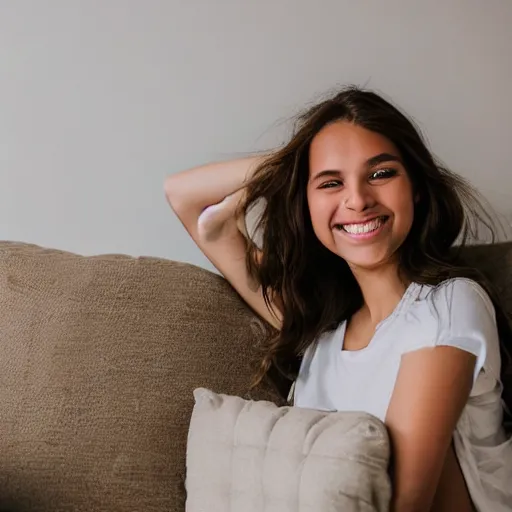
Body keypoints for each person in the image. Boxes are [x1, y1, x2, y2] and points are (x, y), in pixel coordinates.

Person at [164, 86, 512, 511]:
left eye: (381, 173)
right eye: (330, 182)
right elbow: (182, 194)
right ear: (306, 204)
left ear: (417, 188)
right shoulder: (322, 335)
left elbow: (403, 501)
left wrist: (318, 166)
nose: (358, 200)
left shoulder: (449, 305)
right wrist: (297, 160)